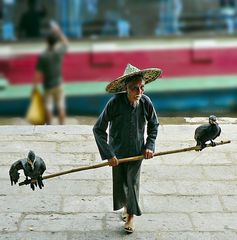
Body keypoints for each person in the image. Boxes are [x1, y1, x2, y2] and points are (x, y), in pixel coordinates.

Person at [93, 64, 162, 233]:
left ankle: (131, 215)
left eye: (142, 88)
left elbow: (154, 125)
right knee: (121, 183)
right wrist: (109, 154)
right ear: (126, 88)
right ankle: (126, 206)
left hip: (137, 153)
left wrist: (149, 146)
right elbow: (98, 129)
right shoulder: (114, 103)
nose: (139, 92)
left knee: (132, 183)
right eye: (135, 88)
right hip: (117, 153)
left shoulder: (146, 102)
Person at [33, 22, 69, 125]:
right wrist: (59, 32)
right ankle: (62, 128)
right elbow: (66, 43)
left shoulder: (43, 56)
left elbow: (38, 73)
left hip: (48, 86)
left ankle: (49, 128)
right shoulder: (58, 52)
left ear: (47, 42)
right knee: (61, 107)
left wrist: (34, 87)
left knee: (48, 108)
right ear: (55, 43)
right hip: (58, 84)